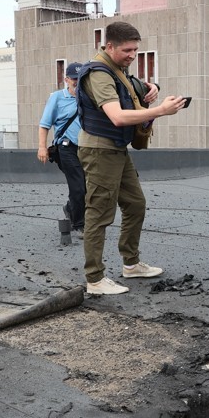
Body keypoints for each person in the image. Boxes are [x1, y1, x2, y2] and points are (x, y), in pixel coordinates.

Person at [76, 21, 186, 295]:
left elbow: (133, 89)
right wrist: (160, 111)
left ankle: (131, 263)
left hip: (116, 150)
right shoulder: (98, 74)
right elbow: (117, 116)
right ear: (109, 46)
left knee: (135, 204)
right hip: (100, 151)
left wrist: (153, 88)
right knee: (99, 213)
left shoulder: (117, 69)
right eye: (127, 50)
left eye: (135, 50)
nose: (132, 55)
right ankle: (95, 279)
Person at [37, 62, 86, 233]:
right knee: (78, 186)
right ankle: (79, 224)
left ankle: (70, 208)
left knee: (87, 186)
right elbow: (44, 125)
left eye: (80, 78)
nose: (77, 82)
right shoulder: (57, 97)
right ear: (66, 79)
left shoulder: (88, 97)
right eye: (74, 78)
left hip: (86, 149)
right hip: (66, 148)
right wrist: (42, 147)